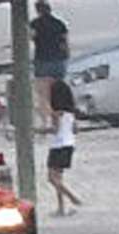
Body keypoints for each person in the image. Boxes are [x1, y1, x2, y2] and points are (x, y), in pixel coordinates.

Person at [43, 78, 80, 214]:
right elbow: (76, 129)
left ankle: (72, 198)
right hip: (69, 145)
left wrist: (36, 130)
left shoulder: (56, 113)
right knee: (59, 178)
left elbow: (54, 130)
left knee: (51, 178)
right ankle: (61, 208)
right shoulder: (71, 114)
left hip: (58, 146)